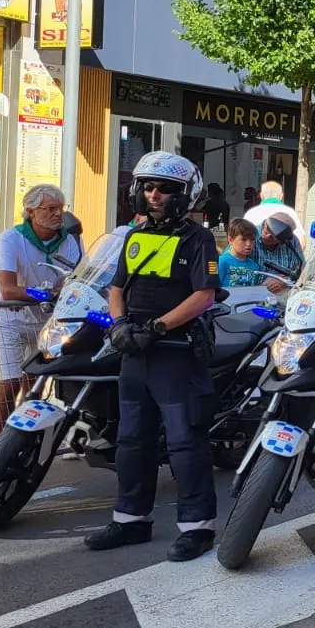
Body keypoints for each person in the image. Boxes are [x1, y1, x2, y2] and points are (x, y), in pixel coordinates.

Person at [84, 153, 222, 561]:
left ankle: (197, 528)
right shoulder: (134, 235)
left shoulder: (198, 239)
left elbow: (204, 294)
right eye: (148, 187)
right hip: (135, 353)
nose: (155, 195)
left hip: (176, 353)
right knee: (131, 442)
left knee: (185, 442)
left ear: (184, 195)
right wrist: (120, 324)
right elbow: (116, 286)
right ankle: (130, 520)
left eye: (164, 189)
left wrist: (158, 327)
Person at [0, 183, 83, 434]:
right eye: (50, 208)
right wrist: (41, 293)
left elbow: (77, 278)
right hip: (9, 316)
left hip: (45, 318)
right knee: (10, 382)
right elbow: (7, 289)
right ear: (31, 211)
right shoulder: (11, 238)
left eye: (60, 209)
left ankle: (21, 438)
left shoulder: (70, 238)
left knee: (35, 382)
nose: (57, 214)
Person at [255, 213, 304, 292]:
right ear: (265, 224)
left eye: (273, 237)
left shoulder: (292, 242)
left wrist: (285, 281)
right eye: (266, 232)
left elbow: (303, 271)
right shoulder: (249, 234)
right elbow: (232, 262)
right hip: (252, 292)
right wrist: (259, 288)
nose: (267, 237)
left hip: (283, 294)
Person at [218, 218, 264, 288]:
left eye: (252, 240)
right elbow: (212, 290)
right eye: (243, 239)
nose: (248, 244)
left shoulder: (255, 266)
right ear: (230, 239)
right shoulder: (220, 261)